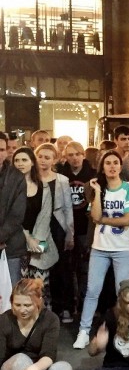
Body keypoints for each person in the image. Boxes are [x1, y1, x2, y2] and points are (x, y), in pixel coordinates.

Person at [73, 151, 129, 349]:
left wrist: (102, 219)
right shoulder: (99, 189)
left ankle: (124, 330)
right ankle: (84, 331)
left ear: (121, 166)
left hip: (123, 249)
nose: (112, 166)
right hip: (99, 248)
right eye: (108, 163)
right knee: (92, 291)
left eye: (115, 163)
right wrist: (96, 193)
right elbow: (94, 216)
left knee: (124, 292)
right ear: (102, 167)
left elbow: (126, 220)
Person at [35, 143, 74, 321]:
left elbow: (67, 208)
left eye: (47, 157)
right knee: (40, 265)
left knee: (61, 266)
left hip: (58, 227)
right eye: (40, 156)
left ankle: (63, 306)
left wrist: (70, 233)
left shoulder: (62, 180)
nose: (43, 160)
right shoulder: (30, 178)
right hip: (38, 228)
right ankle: (43, 304)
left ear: (54, 160)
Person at [14, 147, 58, 305]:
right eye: (17, 160)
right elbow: (12, 217)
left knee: (40, 287)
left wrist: (36, 240)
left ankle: (44, 322)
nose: (20, 164)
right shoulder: (9, 188)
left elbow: (45, 216)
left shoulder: (44, 187)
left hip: (40, 242)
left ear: (32, 162)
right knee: (21, 287)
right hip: (17, 241)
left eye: (24, 160)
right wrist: (27, 238)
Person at [57, 141, 96, 317]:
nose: (74, 158)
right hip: (66, 227)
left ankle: (83, 305)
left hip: (86, 229)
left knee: (85, 269)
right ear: (66, 157)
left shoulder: (92, 174)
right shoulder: (61, 175)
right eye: (70, 155)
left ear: (83, 155)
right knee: (66, 268)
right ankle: (67, 304)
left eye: (77, 154)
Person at [0, 134, 27, 286]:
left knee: (12, 295)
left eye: (2, 149)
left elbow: (17, 214)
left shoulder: (17, 177)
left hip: (10, 246)